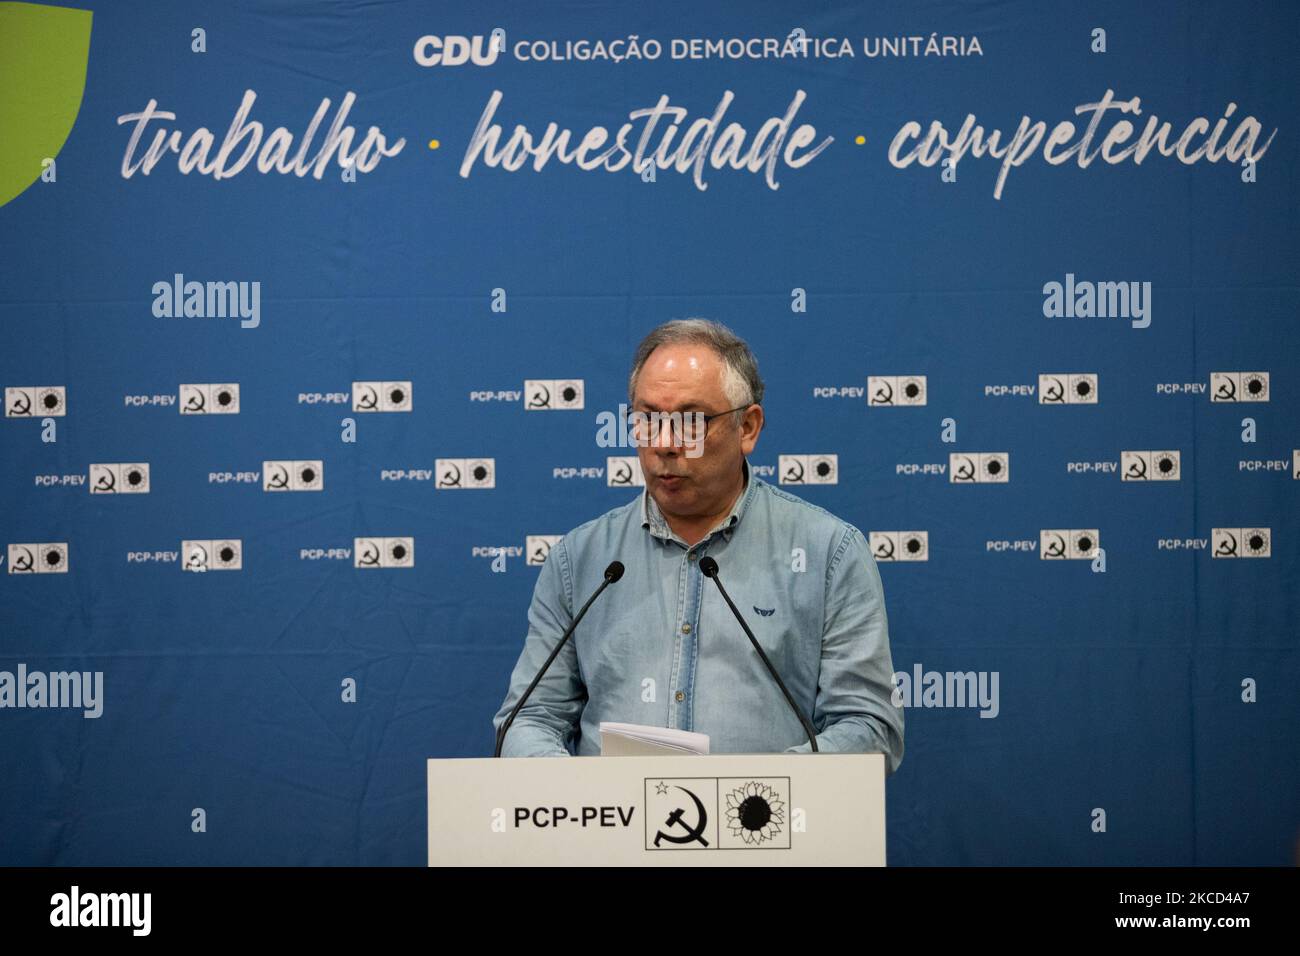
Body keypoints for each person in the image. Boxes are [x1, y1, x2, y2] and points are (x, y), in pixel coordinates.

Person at [492, 318, 904, 772]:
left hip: (765, 828)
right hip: (613, 833)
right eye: (647, 420)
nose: (665, 444)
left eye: (690, 422)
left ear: (747, 427)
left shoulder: (829, 552)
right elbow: (530, 718)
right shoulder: (581, 559)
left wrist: (761, 787)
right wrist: (580, 796)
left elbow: (869, 726)